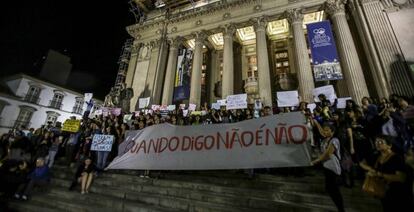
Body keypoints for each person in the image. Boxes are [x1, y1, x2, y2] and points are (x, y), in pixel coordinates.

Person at [360, 135, 412, 211]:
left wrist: (379, 174)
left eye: (380, 142)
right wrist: (371, 169)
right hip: (384, 192)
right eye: (376, 141)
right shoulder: (377, 156)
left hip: (398, 195)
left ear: (389, 145)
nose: (377, 143)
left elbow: (401, 178)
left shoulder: (396, 158)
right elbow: (361, 163)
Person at [311, 123, 345, 212]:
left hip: (333, 168)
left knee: (335, 191)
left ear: (332, 131)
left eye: (327, 130)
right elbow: (321, 132)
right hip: (326, 167)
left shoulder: (334, 140)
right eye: (324, 130)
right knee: (330, 189)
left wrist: (315, 161)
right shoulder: (324, 140)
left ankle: (341, 209)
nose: (325, 132)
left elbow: (327, 154)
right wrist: (316, 123)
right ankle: (339, 208)